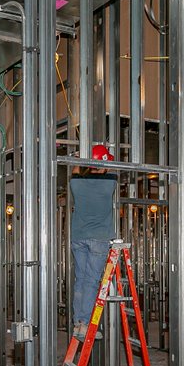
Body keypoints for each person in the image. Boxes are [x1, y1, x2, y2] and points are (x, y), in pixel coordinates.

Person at [69, 144, 118, 340]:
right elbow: (113, 168)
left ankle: (78, 322)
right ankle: (85, 324)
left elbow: (74, 169)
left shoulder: (77, 183)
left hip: (78, 237)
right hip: (99, 238)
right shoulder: (109, 184)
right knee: (91, 281)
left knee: (80, 279)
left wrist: (81, 156)